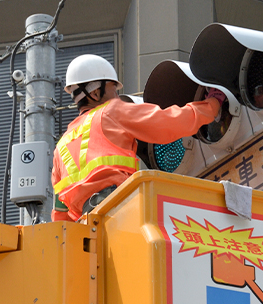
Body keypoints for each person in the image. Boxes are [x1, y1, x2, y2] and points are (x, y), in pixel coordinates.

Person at [51, 54, 226, 221]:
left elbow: (60, 213)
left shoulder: (61, 146)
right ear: (96, 93)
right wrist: (211, 106)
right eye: (114, 91)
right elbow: (167, 123)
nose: (117, 97)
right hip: (118, 208)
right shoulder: (111, 111)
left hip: (88, 228)